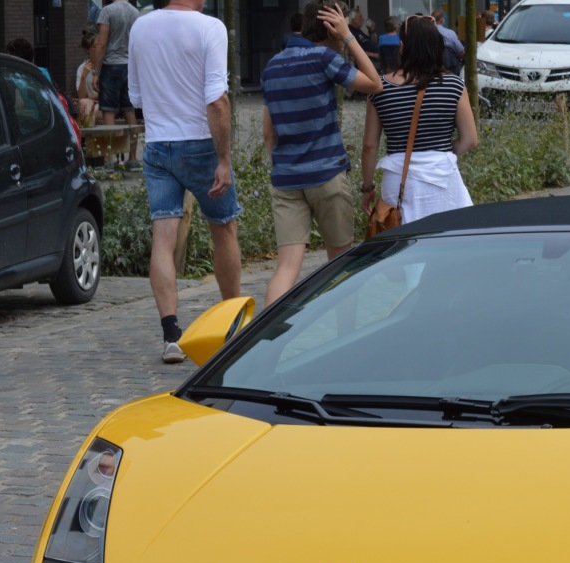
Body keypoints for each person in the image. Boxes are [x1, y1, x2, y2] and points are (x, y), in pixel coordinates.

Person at [128, 0, 241, 364]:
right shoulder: (211, 28)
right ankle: (235, 325)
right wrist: (223, 159)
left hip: (158, 143)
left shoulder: (140, 27)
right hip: (200, 145)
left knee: (163, 235)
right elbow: (218, 102)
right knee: (224, 228)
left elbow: (136, 96)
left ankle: (171, 335)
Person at [260, 2, 383, 304]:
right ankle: (343, 336)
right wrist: (350, 40)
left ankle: (269, 344)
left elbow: (268, 133)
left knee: (286, 268)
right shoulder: (324, 58)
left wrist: (285, 161)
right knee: (340, 264)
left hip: (286, 179)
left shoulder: (272, 65)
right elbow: (375, 84)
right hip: (327, 174)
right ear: (331, 28)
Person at [360, 15, 477, 225]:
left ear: (402, 47)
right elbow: (470, 140)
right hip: (443, 178)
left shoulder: (380, 88)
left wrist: (367, 187)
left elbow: (369, 146)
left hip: (398, 181)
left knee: (403, 247)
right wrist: (439, 151)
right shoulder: (454, 86)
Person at [91, 0, 140, 159]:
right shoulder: (135, 12)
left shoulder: (107, 11)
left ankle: (110, 157)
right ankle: (132, 157)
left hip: (111, 65)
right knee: (129, 110)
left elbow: (102, 43)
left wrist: (96, 72)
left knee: (109, 110)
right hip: (130, 66)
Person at [76, 30, 100, 127]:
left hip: (104, 103)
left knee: (88, 106)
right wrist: (83, 77)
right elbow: (82, 96)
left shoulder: (106, 66)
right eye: (95, 46)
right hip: (88, 104)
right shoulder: (82, 68)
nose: (98, 49)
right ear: (87, 50)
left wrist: (89, 99)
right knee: (85, 104)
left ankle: (88, 140)